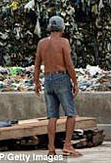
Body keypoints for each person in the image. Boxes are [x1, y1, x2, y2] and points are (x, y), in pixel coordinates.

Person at [33, 16, 82, 158]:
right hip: (61, 78)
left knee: (52, 116)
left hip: (47, 79)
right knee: (71, 113)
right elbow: (69, 64)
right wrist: (75, 82)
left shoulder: (42, 43)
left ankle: (51, 148)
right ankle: (67, 145)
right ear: (62, 28)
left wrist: (36, 82)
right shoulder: (63, 42)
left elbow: (37, 65)